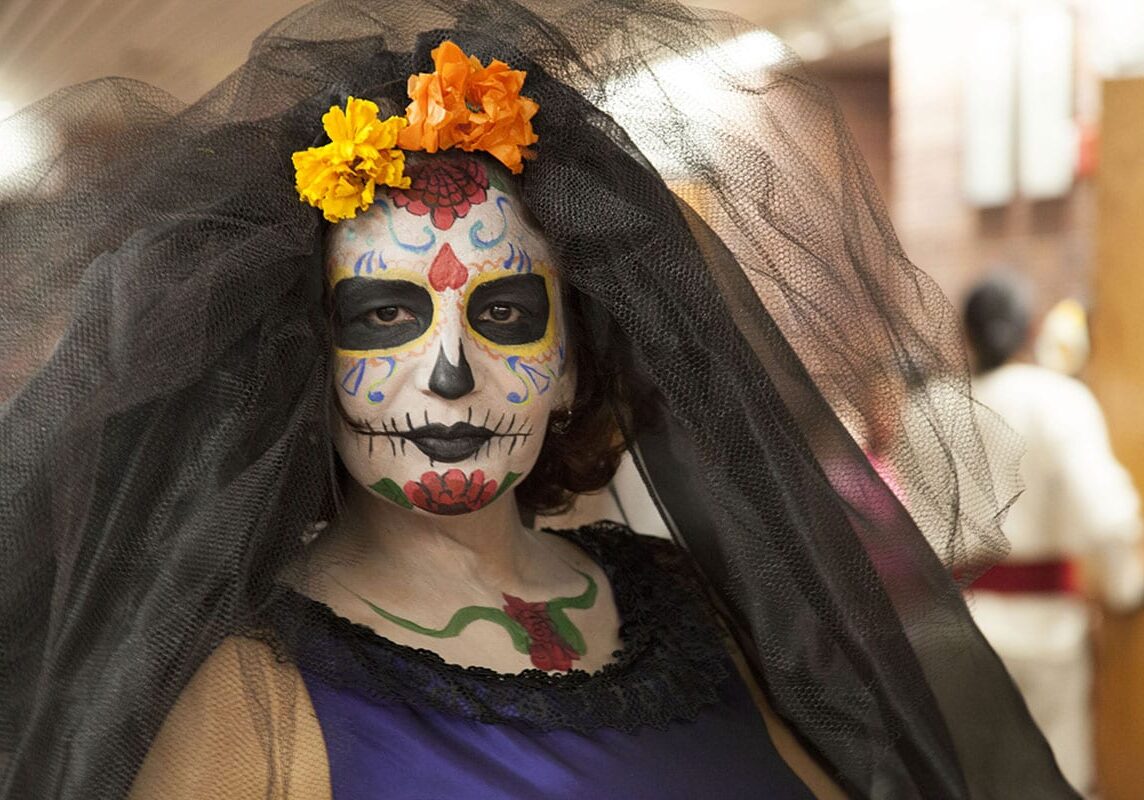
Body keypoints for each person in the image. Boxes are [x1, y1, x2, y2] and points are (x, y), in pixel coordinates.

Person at [0, 2, 1075, 797]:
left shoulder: (700, 610)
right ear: (309, 354)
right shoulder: (247, 687)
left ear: (571, 363)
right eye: (384, 315)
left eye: (508, 315)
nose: (454, 369)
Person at [964, 274, 1144, 796]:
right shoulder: (1058, 399)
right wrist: (1124, 585)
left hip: (955, 629)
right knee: (1053, 780)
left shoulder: (930, 408)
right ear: (1029, 327)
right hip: (1043, 633)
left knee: (969, 780)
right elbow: (1107, 515)